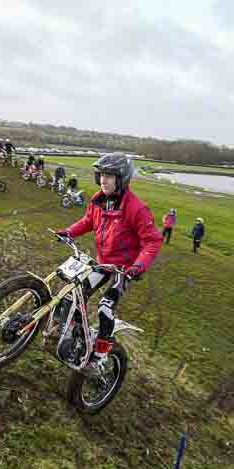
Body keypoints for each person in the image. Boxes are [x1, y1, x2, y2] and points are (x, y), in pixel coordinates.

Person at [57, 153, 162, 369]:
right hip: (102, 263)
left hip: (123, 270)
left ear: (121, 178)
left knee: (105, 309)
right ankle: (77, 338)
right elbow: (88, 221)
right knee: (75, 295)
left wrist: (138, 266)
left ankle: (100, 356)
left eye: (109, 176)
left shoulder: (137, 208)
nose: (103, 180)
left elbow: (152, 241)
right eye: (101, 175)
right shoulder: (98, 200)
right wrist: (69, 232)